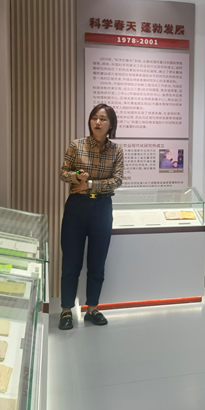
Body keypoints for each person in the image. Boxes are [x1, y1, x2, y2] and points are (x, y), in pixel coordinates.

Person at [58, 104, 125, 331]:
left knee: (97, 262)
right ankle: (66, 310)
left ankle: (92, 308)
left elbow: (117, 181)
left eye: (103, 119)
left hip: (102, 208)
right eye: (94, 118)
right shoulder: (76, 145)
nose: (98, 122)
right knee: (71, 262)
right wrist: (78, 174)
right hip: (76, 208)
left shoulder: (116, 150)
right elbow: (63, 172)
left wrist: (90, 185)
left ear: (111, 124)